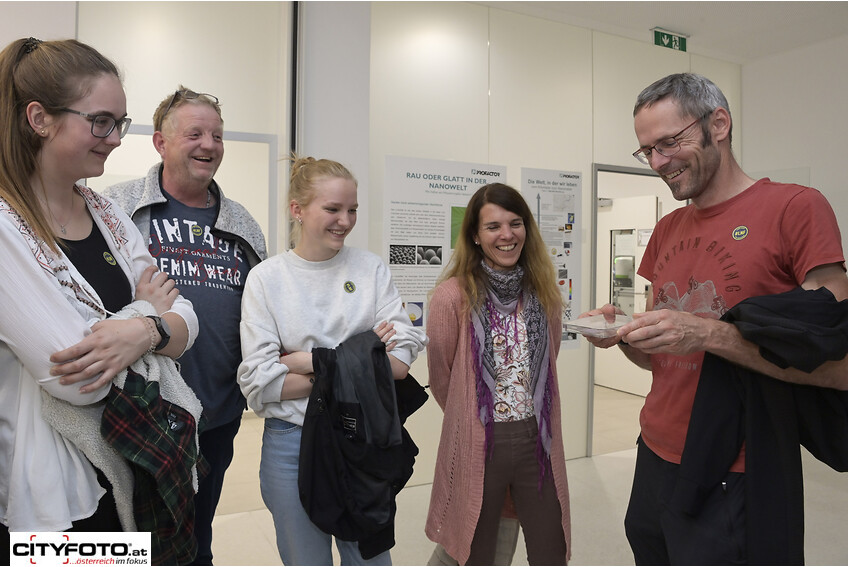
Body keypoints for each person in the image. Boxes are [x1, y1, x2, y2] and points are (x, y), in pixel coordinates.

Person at [582, 72, 848, 565]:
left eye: (669, 142)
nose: (658, 162)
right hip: (654, 450)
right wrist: (624, 335)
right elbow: (661, 361)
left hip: (738, 464)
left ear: (719, 124)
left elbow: (836, 363)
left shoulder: (795, 208)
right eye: (648, 151)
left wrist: (707, 333)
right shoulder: (667, 229)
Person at [0, 37, 198, 555]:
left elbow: (187, 320)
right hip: (55, 502)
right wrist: (148, 316)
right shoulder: (5, 227)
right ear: (39, 118)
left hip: (131, 474)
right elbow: (78, 380)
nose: (114, 139)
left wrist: (144, 331)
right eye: (100, 122)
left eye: (119, 123)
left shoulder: (104, 212)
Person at [104, 87, 267, 565]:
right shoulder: (116, 208)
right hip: (138, 414)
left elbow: (262, 312)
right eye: (194, 134)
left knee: (195, 539)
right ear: (160, 142)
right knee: (128, 541)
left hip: (215, 415)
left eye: (216, 135)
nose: (208, 145)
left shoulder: (242, 224)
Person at [237, 156, 427, 565]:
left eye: (352, 209)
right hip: (292, 442)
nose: (345, 221)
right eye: (333, 209)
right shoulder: (267, 279)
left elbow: (398, 365)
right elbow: (260, 384)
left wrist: (305, 360)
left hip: (364, 436)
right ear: (298, 209)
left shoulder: (370, 269)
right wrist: (360, 360)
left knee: (370, 560)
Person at [425, 183, 572, 565]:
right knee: (477, 552)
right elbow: (443, 378)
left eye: (515, 223)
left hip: (537, 439)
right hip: (480, 440)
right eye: (493, 226)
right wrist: (473, 420)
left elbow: (548, 361)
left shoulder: (544, 293)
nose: (507, 235)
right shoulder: (452, 296)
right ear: (475, 235)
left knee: (551, 549)